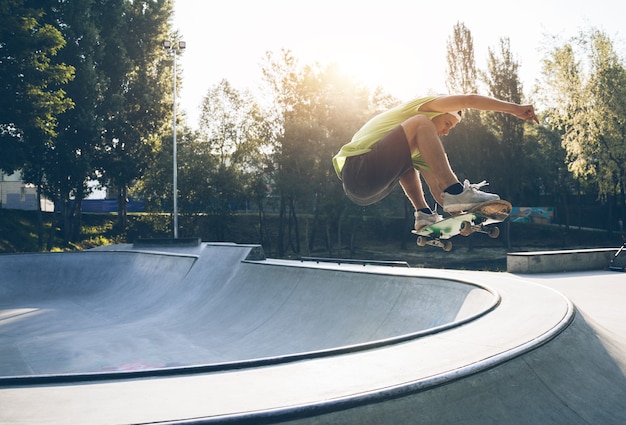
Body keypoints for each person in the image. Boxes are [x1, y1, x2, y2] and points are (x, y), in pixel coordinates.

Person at [332, 94, 539, 231]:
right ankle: (459, 191)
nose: (446, 132)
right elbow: (469, 99)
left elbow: (439, 190)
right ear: (438, 112)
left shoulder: (414, 147)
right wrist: (514, 109)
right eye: (447, 123)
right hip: (358, 168)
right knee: (421, 123)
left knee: (409, 162)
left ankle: (423, 215)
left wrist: (461, 220)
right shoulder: (422, 109)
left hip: (365, 189)